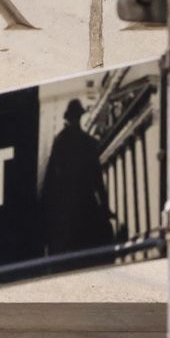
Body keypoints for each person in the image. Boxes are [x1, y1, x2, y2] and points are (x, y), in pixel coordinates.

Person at [39, 99, 115, 256]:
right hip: (86, 206)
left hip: (66, 210)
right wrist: (105, 208)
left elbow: (51, 181)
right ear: (79, 117)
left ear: (69, 118)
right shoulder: (89, 143)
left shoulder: (60, 142)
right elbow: (98, 182)